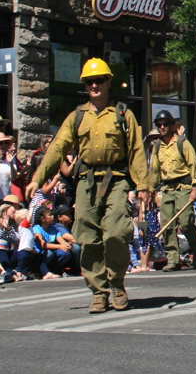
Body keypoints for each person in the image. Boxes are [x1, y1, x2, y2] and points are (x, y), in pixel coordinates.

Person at [25, 58, 150, 314]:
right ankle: (98, 292)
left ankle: (116, 284)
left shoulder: (123, 114)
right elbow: (57, 148)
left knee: (116, 232)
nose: (94, 85)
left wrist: (144, 185)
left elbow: (137, 151)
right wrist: (38, 177)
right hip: (87, 182)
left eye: (99, 80)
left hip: (116, 179)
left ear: (108, 82)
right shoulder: (77, 116)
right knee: (88, 238)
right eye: (89, 81)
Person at [148, 110, 196, 273]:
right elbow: (155, 171)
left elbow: (193, 165)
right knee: (167, 225)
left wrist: (195, 187)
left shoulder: (182, 143)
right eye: (159, 125)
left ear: (172, 125)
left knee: (186, 223)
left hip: (183, 188)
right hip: (167, 189)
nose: (162, 127)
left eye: (165, 124)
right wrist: (151, 190)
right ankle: (172, 259)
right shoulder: (157, 146)